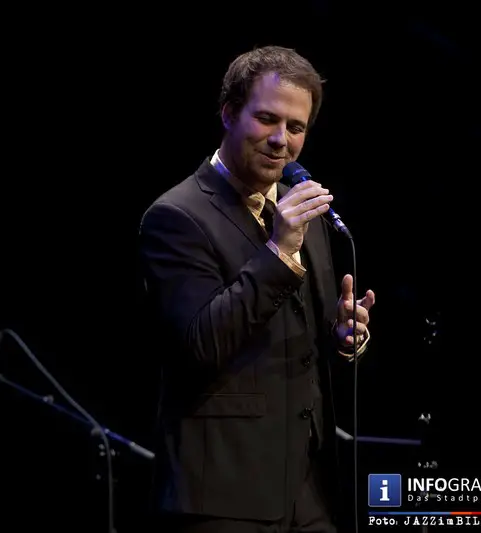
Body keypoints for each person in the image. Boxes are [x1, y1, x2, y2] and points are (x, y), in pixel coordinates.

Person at [138, 45, 376, 532]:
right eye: (266, 119)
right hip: (223, 491)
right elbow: (198, 348)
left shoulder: (300, 212)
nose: (280, 141)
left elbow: (304, 338)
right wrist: (278, 250)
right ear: (228, 114)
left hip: (308, 484)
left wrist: (344, 338)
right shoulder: (177, 217)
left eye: (296, 128)